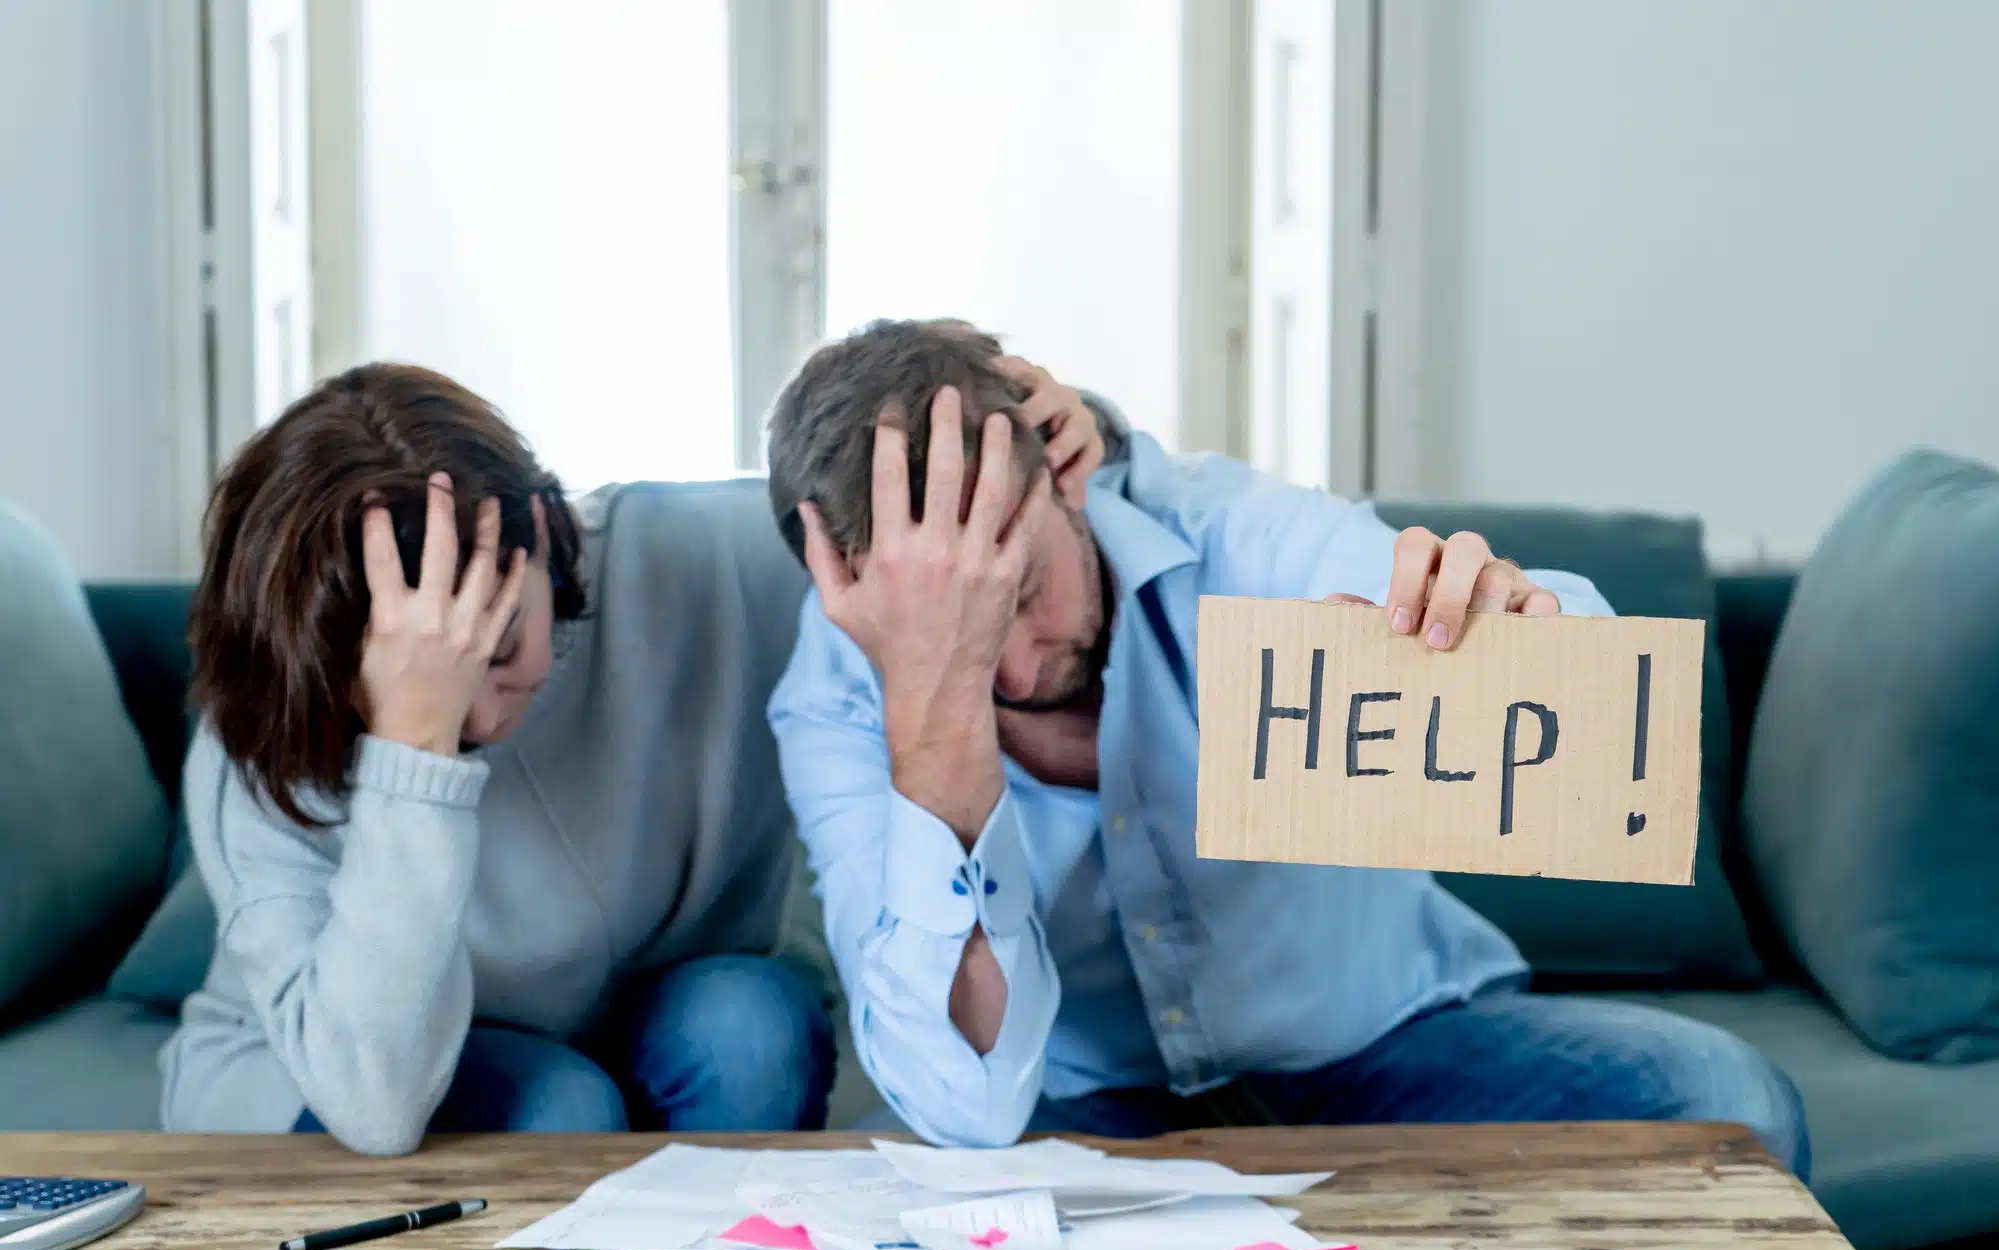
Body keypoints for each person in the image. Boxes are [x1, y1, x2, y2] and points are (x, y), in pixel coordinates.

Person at [764, 319, 1809, 1174]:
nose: (1018, 670)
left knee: (1725, 1100)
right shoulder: (837, 699)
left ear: (1068, 476)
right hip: (1085, 1110)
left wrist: (1507, 616)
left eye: (1021, 589)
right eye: (952, 627)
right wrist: (930, 699)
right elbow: (965, 1103)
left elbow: (1579, 674)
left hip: (1384, 1045)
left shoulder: (1229, 532)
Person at [160, 363, 835, 1156]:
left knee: (753, 1034)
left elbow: (910, 540)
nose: (480, 712)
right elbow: (376, 1100)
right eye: (419, 678)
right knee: (560, 1108)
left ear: (546, 534)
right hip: (341, 1060)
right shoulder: (254, 737)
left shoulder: (693, 557)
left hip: (620, 1013)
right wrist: (412, 742)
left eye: (502, 642)